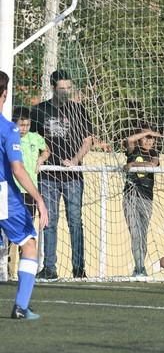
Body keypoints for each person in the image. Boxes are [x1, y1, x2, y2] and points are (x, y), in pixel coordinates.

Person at [31, 70, 93, 279]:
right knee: (49, 220)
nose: (66, 92)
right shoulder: (39, 110)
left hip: (72, 177)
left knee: (75, 221)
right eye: (62, 89)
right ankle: (49, 267)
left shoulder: (79, 110)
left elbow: (87, 140)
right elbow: (30, 140)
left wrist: (75, 161)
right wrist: (38, 160)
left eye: (69, 88)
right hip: (48, 176)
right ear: (53, 88)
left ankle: (79, 268)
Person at [0, 71, 50, 319]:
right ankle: (20, 306)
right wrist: (39, 199)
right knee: (29, 244)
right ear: (5, 94)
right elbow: (17, 168)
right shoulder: (8, 129)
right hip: (3, 195)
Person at [0, 107, 49, 282]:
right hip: (10, 191)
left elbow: (47, 150)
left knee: (25, 236)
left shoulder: (34, 138)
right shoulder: (9, 132)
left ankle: (22, 271)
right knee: (18, 238)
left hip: (27, 192)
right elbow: (16, 168)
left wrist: (41, 159)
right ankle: (5, 269)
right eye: (21, 125)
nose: (24, 128)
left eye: (27, 125)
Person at [121, 124, 161, 277]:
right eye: (145, 137)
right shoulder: (133, 150)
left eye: (151, 137)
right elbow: (129, 140)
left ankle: (140, 266)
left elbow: (152, 164)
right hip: (130, 196)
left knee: (143, 234)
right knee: (135, 233)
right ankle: (139, 268)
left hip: (147, 198)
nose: (149, 140)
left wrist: (133, 165)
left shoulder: (154, 153)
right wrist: (148, 131)